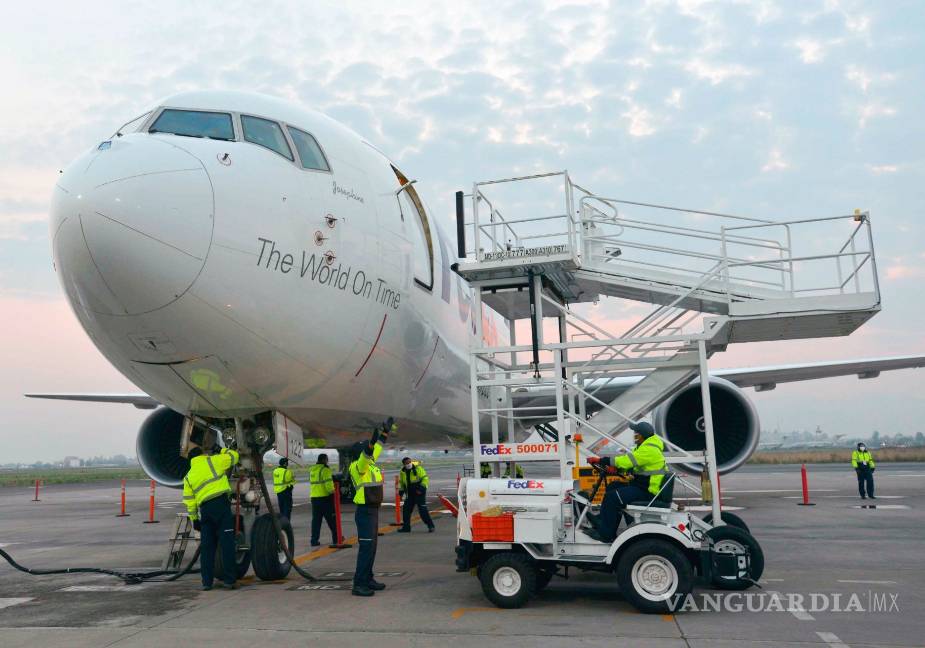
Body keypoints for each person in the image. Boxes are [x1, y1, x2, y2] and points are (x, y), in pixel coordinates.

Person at [586, 421, 668, 543]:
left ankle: (606, 535)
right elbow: (633, 465)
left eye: (636, 433)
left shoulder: (649, 450)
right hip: (643, 486)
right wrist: (617, 469)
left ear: (642, 435)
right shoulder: (645, 447)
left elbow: (626, 460)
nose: (635, 435)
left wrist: (602, 460)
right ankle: (605, 522)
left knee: (611, 498)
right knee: (613, 486)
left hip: (649, 491)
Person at [182, 429, 241, 591]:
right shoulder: (213, 461)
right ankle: (229, 580)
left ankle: (206, 582)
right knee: (227, 544)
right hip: (221, 506)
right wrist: (220, 449)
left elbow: (189, 501)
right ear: (202, 454)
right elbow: (234, 457)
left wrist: (194, 520)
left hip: (205, 511)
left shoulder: (188, 476)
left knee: (207, 548)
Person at [349, 418, 395, 596]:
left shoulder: (369, 463)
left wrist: (384, 433)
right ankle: (359, 584)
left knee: (372, 546)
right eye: (367, 449)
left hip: (373, 510)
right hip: (365, 511)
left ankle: (368, 578)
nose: (371, 451)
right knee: (366, 547)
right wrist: (371, 442)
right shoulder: (357, 466)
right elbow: (367, 455)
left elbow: (376, 449)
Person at [397, 457, 435, 533]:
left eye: (409, 462)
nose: (409, 464)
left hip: (419, 493)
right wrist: (400, 494)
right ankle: (406, 528)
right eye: (407, 463)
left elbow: (425, 479)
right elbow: (401, 483)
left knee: (423, 511)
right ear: (404, 464)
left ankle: (431, 526)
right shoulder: (402, 471)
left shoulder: (418, 469)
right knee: (406, 510)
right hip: (410, 494)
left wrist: (421, 489)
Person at [309, 453, 337, 546]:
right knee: (331, 520)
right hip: (325, 499)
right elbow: (329, 486)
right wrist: (334, 492)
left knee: (316, 521)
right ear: (324, 460)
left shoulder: (312, 470)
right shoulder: (325, 470)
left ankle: (314, 540)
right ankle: (336, 538)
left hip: (314, 498)